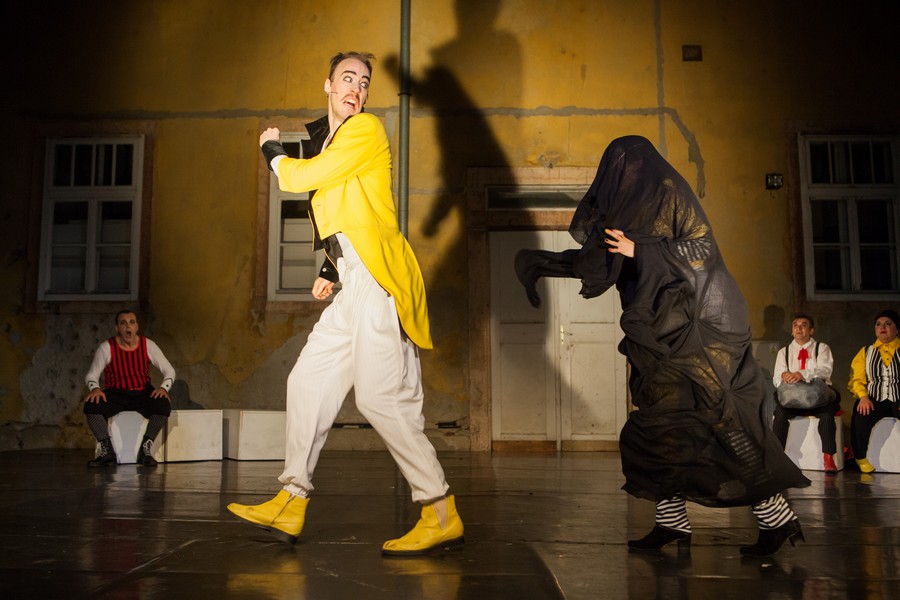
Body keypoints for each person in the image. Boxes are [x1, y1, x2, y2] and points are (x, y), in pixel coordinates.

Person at [515, 135, 810, 557]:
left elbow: (703, 251)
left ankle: (776, 518)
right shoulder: (631, 207)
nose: (624, 176)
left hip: (703, 328)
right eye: (619, 168)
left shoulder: (670, 194)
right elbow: (605, 260)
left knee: (723, 421)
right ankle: (672, 523)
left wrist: (642, 249)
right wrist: (545, 263)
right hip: (661, 331)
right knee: (662, 424)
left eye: (630, 166)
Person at [226, 51, 464, 555]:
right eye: (347, 78)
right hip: (353, 282)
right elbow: (348, 213)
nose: (356, 88)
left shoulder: (365, 130)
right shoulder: (334, 142)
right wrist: (331, 268)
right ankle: (291, 500)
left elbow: (299, 179)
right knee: (306, 381)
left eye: (364, 82)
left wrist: (272, 150)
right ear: (328, 86)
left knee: (380, 399)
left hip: (378, 281)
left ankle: (439, 510)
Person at [83, 309, 175, 467]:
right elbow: (91, 375)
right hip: (116, 393)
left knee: (163, 405)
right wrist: (95, 389)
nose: (128, 326)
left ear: (137, 326)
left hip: (142, 392)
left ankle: (145, 449)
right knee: (91, 406)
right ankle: (107, 451)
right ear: (117, 328)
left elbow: (169, 370)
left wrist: (163, 388)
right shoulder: (107, 347)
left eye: (132, 322)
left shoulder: (148, 345)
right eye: (123, 323)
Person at [771, 313, 841, 472]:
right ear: (791, 331)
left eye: (803, 325)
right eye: (795, 325)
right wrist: (784, 376)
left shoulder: (821, 348)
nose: (799, 328)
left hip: (817, 398)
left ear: (811, 331)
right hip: (793, 399)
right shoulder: (784, 352)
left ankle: (828, 457)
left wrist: (802, 374)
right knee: (780, 414)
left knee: (827, 415)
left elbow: (825, 370)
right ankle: (777, 458)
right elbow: (776, 378)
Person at [847, 309, 900, 473]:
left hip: (898, 397)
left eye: (888, 324)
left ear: (897, 329)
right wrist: (863, 397)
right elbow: (857, 378)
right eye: (878, 324)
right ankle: (860, 457)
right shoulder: (866, 351)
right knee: (861, 414)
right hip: (875, 398)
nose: (882, 327)